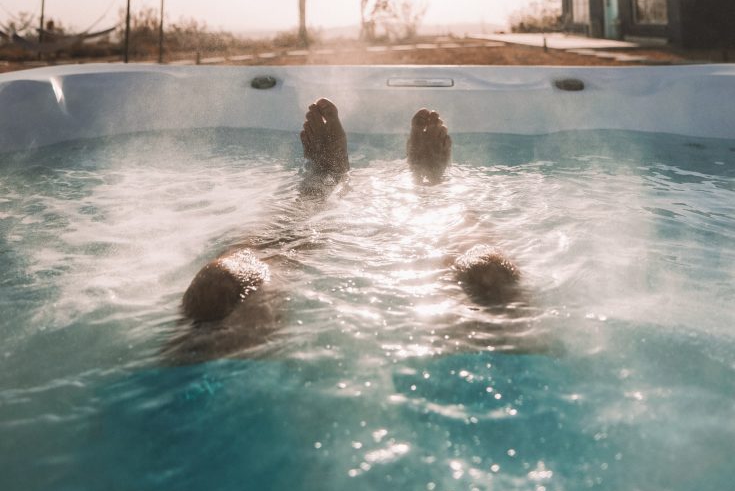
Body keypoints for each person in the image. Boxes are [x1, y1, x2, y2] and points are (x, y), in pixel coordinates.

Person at [180, 99, 521, 330]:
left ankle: (320, 184)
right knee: (488, 276)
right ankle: (429, 182)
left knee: (225, 287)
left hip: (198, 376)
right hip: (504, 363)